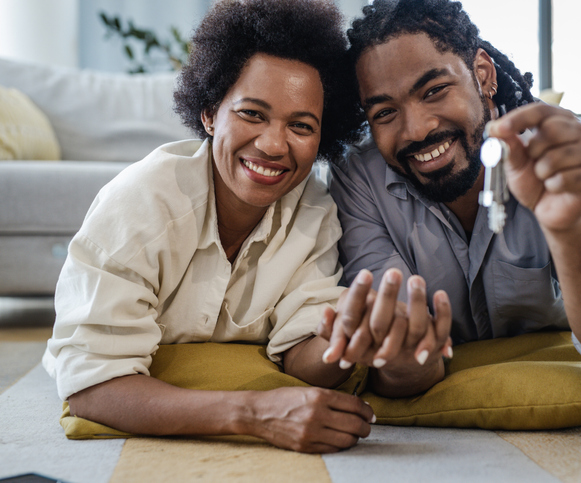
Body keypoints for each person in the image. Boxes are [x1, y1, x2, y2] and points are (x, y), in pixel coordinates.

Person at [42, 0, 375, 454]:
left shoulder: (313, 210)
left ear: (322, 138)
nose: (274, 144)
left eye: (301, 125)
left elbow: (301, 357)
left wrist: (352, 339)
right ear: (210, 112)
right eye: (252, 114)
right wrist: (254, 414)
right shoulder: (141, 204)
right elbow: (90, 387)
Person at [320, 0, 581, 398]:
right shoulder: (358, 180)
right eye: (384, 113)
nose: (416, 130)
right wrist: (400, 352)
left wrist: (569, 226)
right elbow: (407, 360)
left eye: (435, 90)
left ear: (483, 74)